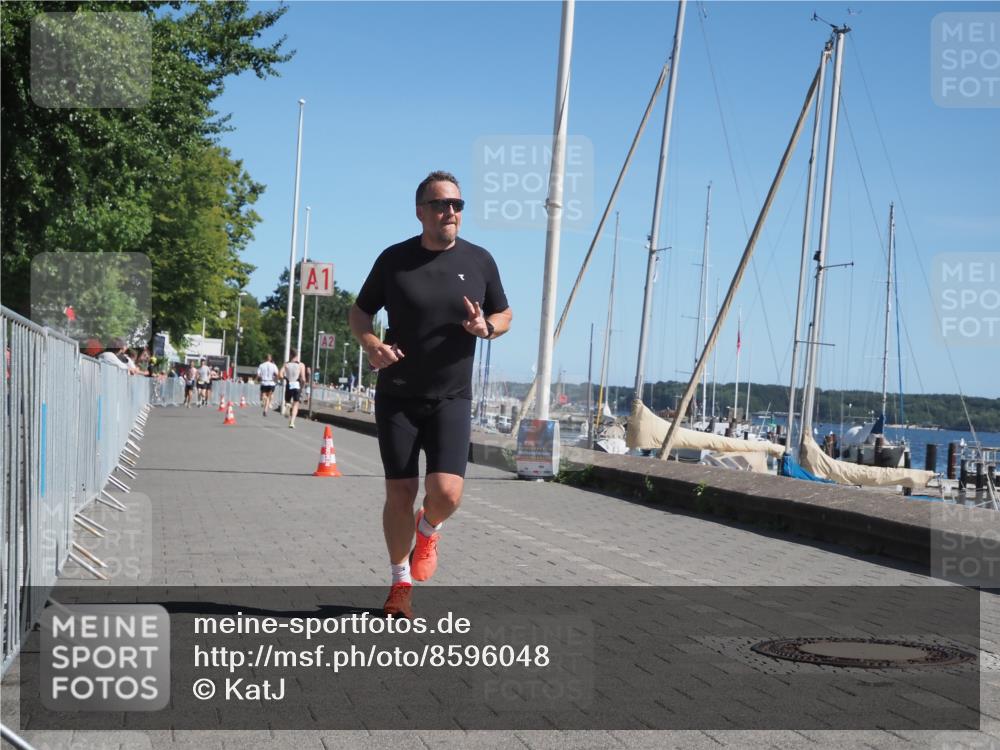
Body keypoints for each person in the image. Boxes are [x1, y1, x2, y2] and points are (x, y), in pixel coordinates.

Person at [349, 170, 512, 618]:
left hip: (452, 396)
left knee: (447, 493)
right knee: (399, 493)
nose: (451, 212)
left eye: (458, 205)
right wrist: (372, 346)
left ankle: (429, 528)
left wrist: (488, 328)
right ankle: (399, 583)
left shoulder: (480, 260)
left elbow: (505, 312)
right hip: (398, 394)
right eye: (442, 204)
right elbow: (360, 313)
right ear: (420, 211)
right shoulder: (394, 260)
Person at [279, 350, 306, 428]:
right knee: (296, 404)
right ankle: (292, 422)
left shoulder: (286, 364)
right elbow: (303, 379)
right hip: (297, 385)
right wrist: (302, 387)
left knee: (288, 401)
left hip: (289, 384)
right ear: (297, 356)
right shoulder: (301, 365)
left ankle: (287, 405)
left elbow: (280, 374)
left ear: (290, 355)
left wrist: (284, 378)